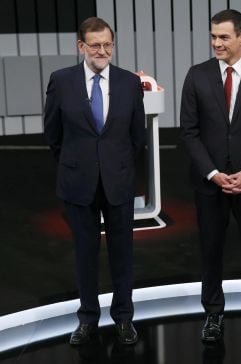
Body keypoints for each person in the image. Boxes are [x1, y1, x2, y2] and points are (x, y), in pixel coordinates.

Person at [179, 9, 241, 342]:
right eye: (213, 36)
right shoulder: (196, 75)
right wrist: (212, 173)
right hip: (210, 184)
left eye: (224, 37)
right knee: (210, 251)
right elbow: (189, 132)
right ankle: (213, 315)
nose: (217, 43)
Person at [44, 17, 145, 345]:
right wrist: (77, 165)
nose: (102, 51)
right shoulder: (61, 81)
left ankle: (124, 319)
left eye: (107, 45)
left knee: (123, 255)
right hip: (78, 184)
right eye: (95, 45)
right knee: (84, 255)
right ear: (81, 46)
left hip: (118, 183)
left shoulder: (130, 83)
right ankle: (87, 319)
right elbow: (53, 135)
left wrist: (119, 169)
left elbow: (137, 138)